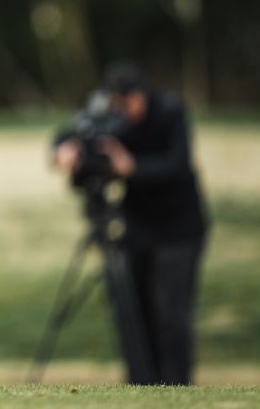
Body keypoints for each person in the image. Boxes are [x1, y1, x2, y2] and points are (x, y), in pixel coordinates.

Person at [51, 62, 209, 385]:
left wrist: (131, 167)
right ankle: (141, 388)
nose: (123, 113)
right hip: (135, 225)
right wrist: (62, 149)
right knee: (133, 315)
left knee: (170, 316)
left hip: (178, 227)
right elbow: (70, 133)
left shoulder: (169, 110)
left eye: (128, 104)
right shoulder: (106, 112)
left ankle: (176, 390)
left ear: (140, 95)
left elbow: (178, 164)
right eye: (117, 105)